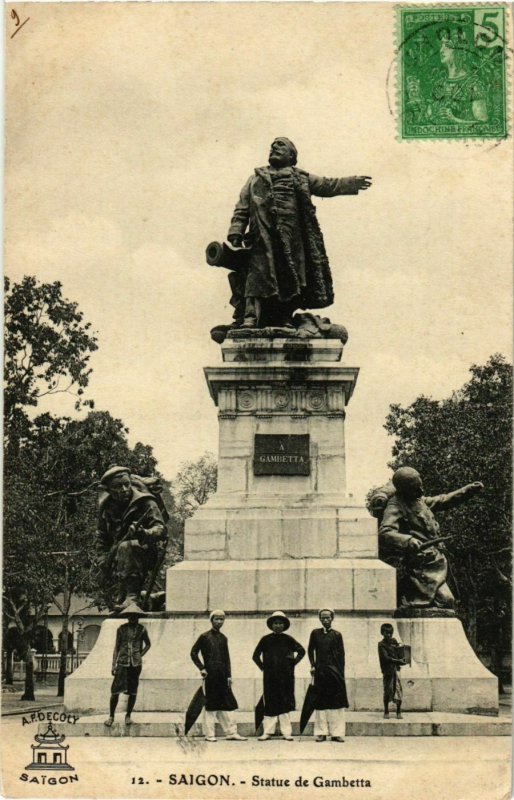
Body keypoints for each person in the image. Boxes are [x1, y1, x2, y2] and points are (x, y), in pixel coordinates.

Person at [227, 137, 372, 329]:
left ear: (292, 156)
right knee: (257, 275)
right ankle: (250, 317)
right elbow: (242, 208)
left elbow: (328, 185)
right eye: (272, 146)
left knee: (290, 276)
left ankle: (284, 317)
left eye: (281, 145)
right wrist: (236, 232)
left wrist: (351, 183)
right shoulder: (255, 179)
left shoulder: (301, 177)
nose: (274, 147)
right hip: (262, 236)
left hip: (293, 238)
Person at [379, 466, 484, 609]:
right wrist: (408, 540)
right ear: (405, 489)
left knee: (449, 602)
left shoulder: (419, 501)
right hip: (420, 568)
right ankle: (408, 600)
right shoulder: (396, 505)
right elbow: (385, 532)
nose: (420, 490)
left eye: (420, 485)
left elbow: (444, 500)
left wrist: (468, 490)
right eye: (415, 487)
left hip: (437, 563)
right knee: (446, 601)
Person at [95, 466, 167, 610]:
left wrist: (144, 533)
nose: (124, 489)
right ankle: (148, 599)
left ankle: (132, 597)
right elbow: (102, 538)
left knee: (127, 547)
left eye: (126, 484)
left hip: (148, 550)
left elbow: (161, 530)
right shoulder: (107, 509)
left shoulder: (146, 502)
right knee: (113, 560)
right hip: (120, 556)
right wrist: (102, 558)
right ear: (109, 490)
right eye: (118, 486)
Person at [190, 610, 247, 742]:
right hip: (210, 675)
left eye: (222, 619)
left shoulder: (223, 638)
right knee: (211, 705)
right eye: (217, 619)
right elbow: (193, 653)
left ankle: (231, 732)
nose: (219, 622)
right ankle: (209, 734)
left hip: (222, 676)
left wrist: (229, 675)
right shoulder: (204, 637)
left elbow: (227, 658)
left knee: (228, 705)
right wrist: (202, 668)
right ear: (211, 620)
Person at [252, 611, 305, 741]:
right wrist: (263, 668)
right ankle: (268, 732)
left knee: (284, 703)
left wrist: (292, 664)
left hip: (285, 677)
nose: (278, 625)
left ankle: (286, 732)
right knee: (269, 703)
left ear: (284, 625)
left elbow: (301, 651)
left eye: (280, 623)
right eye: (275, 623)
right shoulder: (265, 640)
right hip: (270, 677)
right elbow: (255, 656)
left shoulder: (288, 639)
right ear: (271, 625)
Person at [104, 602, 150, 728]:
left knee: (133, 691)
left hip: (135, 664)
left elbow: (148, 644)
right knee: (115, 691)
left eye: (135, 616)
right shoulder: (121, 629)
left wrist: (140, 655)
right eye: (130, 616)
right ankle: (111, 716)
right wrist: (113, 665)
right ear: (127, 616)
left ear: (138, 617)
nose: (132, 618)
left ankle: (128, 715)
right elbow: (116, 648)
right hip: (122, 663)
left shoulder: (142, 629)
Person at [308, 608, 348, 742]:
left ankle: (337, 733)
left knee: (336, 703)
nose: (325, 620)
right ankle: (321, 732)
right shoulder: (315, 633)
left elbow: (342, 655)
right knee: (320, 703)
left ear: (332, 619)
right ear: (320, 619)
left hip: (335, 673)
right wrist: (313, 665)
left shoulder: (337, 635)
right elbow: (310, 650)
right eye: (323, 618)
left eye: (328, 618)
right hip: (320, 672)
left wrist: (341, 673)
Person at [378, 623, 405, 719]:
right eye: (386, 633)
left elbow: (398, 652)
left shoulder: (394, 641)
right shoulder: (381, 644)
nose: (389, 635)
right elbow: (385, 658)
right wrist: (398, 660)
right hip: (387, 671)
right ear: (382, 633)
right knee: (387, 690)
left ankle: (398, 710)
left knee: (398, 689)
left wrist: (403, 656)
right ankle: (386, 710)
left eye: (390, 633)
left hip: (396, 670)